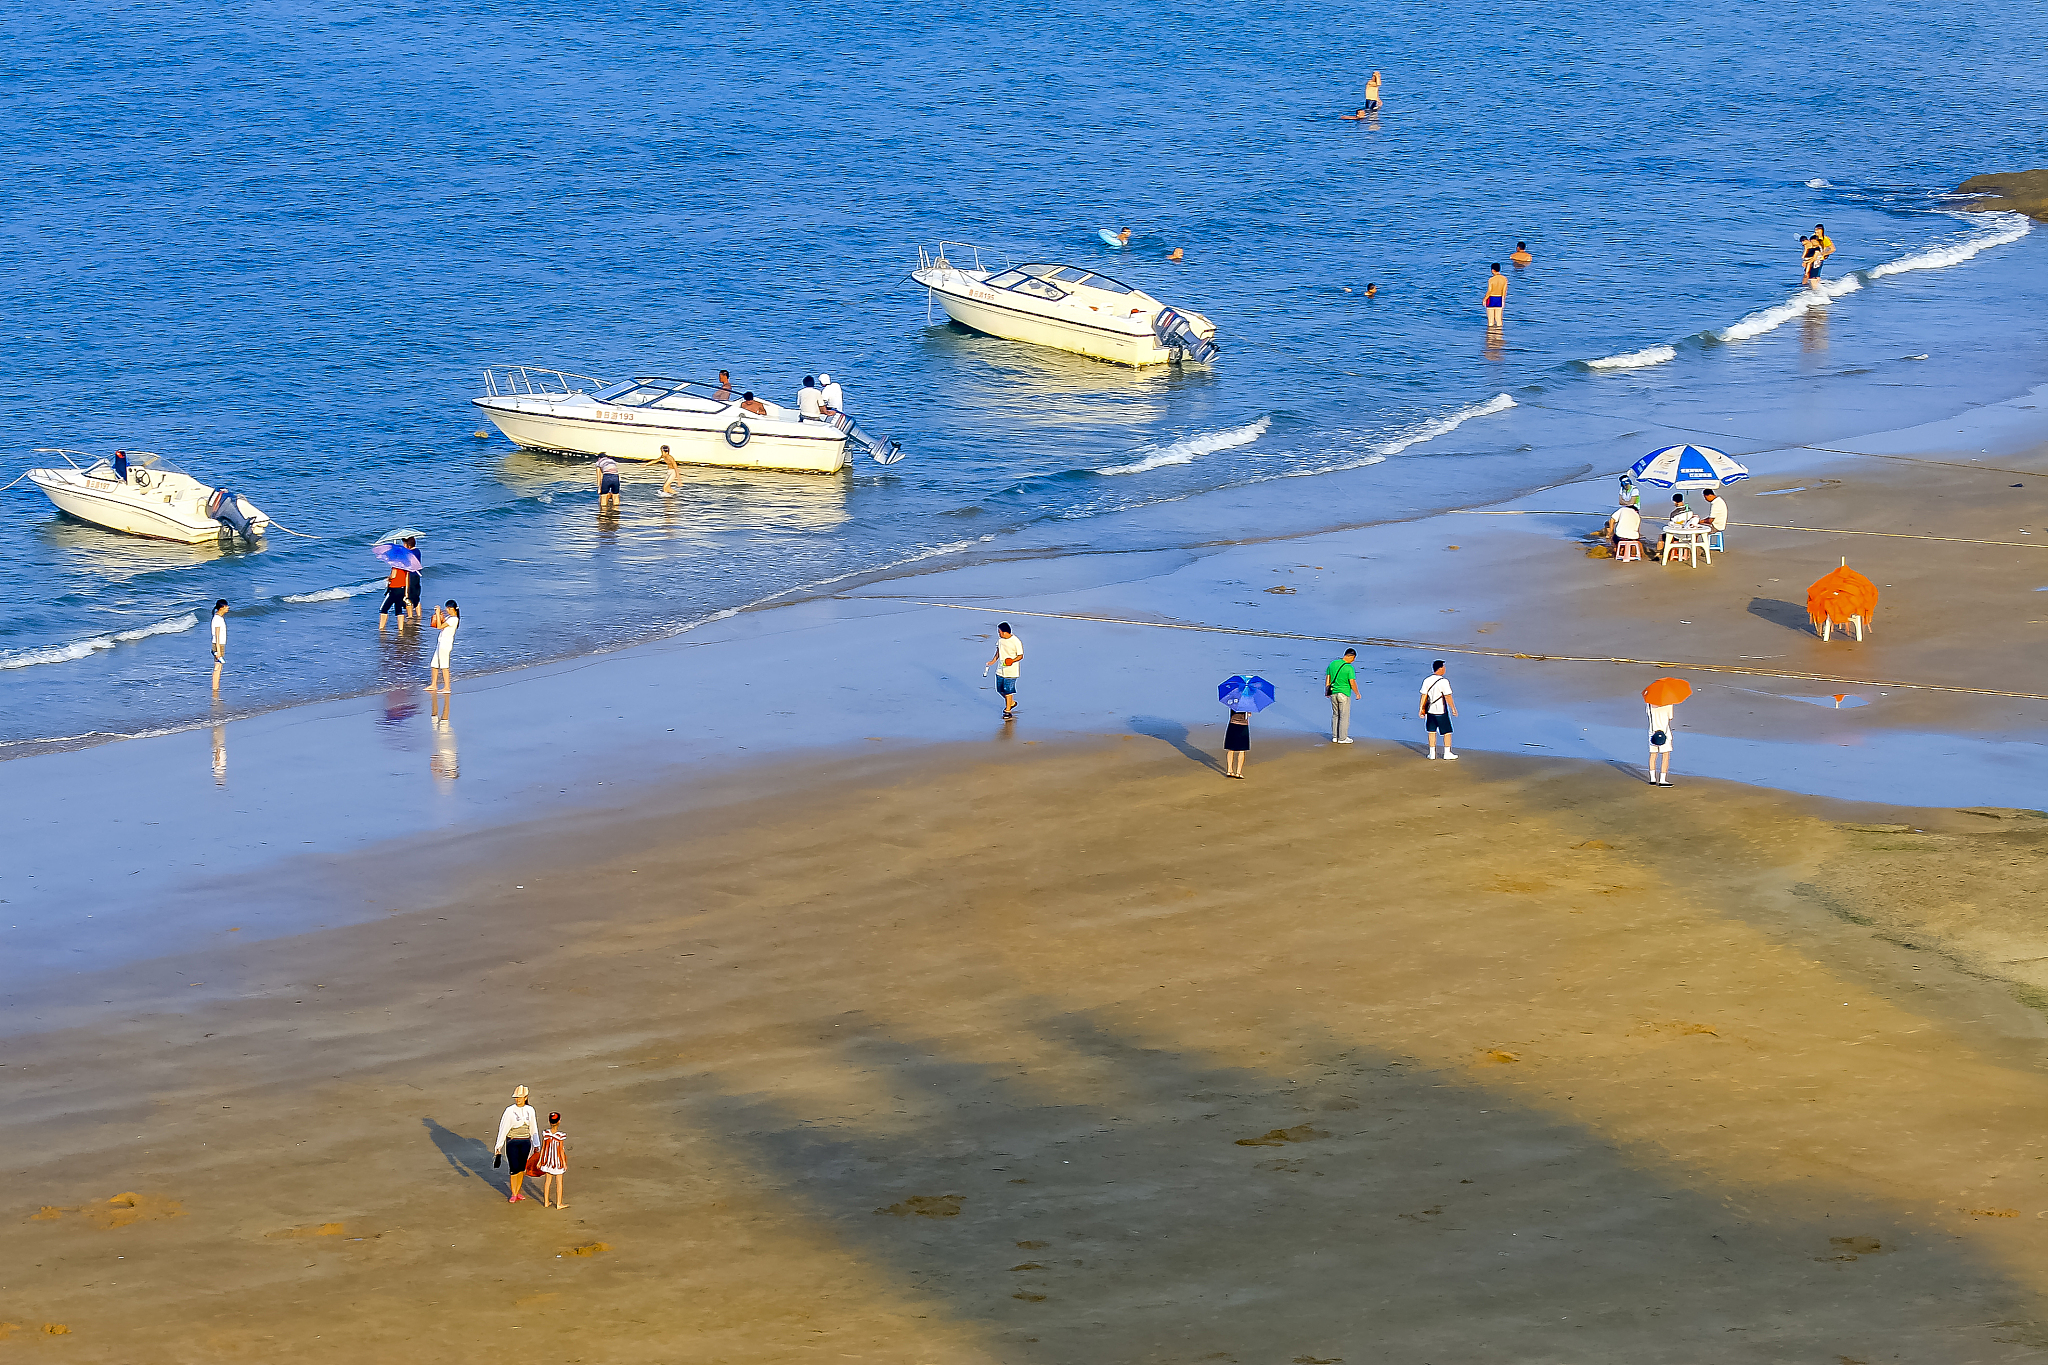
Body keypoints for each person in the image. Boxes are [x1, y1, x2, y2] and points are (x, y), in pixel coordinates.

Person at [493, 1084, 539, 1204]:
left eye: (520, 1097)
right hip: (512, 1141)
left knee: (521, 1168)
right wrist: (499, 1146)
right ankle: (513, 1193)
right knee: (514, 1168)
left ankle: (518, 1191)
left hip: (525, 1141)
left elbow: (533, 1127)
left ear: (525, 1097)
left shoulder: (530, 1110)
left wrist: (536, 1144)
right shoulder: (509, 1111)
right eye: (516, 1097)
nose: (518, 1099)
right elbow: (503, 1128)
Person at [1419, 661, 1457, 759]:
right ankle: (1447, 753)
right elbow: (1448, 696)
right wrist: (1453, 708)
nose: (1444, 669)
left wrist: (1421, 709)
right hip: (1441, 711)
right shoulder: (1444, 681)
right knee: (1447, 732)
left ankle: (1432, 753)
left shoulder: (1427, 680)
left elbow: (1424, 696)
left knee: (1431, 731)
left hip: (1430, 711)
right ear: (1440, 668)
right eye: (1443, 667)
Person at [986, 622, 1023, 718]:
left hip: (1011, 671)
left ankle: (1008, 711)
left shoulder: (1016, 641)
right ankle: (1012, 702)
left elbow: (1020, 656)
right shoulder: (1000, 641)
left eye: (1000, 632)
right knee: (1000, 689)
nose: (999, 634)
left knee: (1008, 690)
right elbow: (998, 651)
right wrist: (993, 661)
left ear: (1005, 632)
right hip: (1000, 669)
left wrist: (1012, 661)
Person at [1326, 648, 1359, 744]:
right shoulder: (1349, 668)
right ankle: (1342, 738)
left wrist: (1327, 690)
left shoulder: (1333, 664)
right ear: (1350, 656)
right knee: (1344, 716)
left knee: (1335, 715)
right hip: (1344, 694)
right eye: (1353, 658)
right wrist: (1357, 693)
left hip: (1333, 693)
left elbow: (1328, 677)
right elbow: (1352, 682)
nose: (1353, 661)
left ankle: (1335, 736)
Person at [537, 1112, 569, 1209]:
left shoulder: (546, 1133)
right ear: (559, 1121)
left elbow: (543, 1148)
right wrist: (564, 1163)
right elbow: (560, 1150)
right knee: (559, 1182)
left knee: (547, 1182)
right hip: (557, 1162)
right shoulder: (560, 1136)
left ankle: (546, 1201)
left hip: (547, 1161)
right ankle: (559, 1203)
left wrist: (540, 1160)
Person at [428, 599, 458, 695]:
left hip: (445, 644)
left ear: (451, 608)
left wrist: (438, 613)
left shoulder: (454, 619)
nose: (447, 610)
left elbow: (440, 627)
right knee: (434, 664)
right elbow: (440, 623)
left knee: (444, 666)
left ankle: (447, 687)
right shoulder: (449, 617)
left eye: (447, 608)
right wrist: (439, 614)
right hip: (441, 643)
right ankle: (433, 684)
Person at [1659, 493, 1699, 560]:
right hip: (1688, 534)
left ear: (1674, 502)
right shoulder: (1690, 511)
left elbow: (1671, 525)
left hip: (1678, 535)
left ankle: (1660, 553)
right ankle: (1687, 553)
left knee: (1662, 536)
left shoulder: (1674, 514)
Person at [1647, 697, 1676, 786]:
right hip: (1665, 732)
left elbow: (1649, 714)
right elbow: (1670, 717)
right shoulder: (1669, 703)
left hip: (1653, 732)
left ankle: (1652, 778)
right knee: (1665, 755)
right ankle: (1662, 779)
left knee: (1653, 754)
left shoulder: (1649, 703)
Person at [378, 561, 409, 629]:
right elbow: (407, 579)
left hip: (394, 589)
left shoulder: (395, 566)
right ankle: (401, 628)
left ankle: (381, 627)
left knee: (384, 609)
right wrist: (406, 592)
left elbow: (393, 576)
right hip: (402, 588)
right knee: (399, 609)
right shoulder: (406, 566)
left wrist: (389, 578)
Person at [1223, 707, 1251, 778]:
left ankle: (1229, 770)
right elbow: (1248, 715)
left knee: (1231, 748)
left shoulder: (1233, 701)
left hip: (1233, 724)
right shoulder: (1248, 703)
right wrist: (1249, 712)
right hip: (1243, 726)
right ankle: (1238, 772)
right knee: (1242, 749)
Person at [403, 536, 422, 620]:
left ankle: (410, 616)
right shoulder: (417, 551)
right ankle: (419, 615)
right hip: (417, 575)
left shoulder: (409, 553)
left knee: (408, 597)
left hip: (410, 576)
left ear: (408, 544)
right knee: (416, 596)